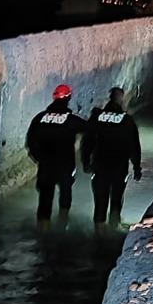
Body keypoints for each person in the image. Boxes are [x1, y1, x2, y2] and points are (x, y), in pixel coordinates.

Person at [26, 84, 88, 231]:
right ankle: (62, 226)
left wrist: (39, 159)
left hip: (46, 166)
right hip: (65, 165)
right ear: (68, 98)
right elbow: (90, 129)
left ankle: (43, 230)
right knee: (65, 194)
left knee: (45, 198)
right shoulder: (71, 120)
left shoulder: (40, 118)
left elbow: (30, 142)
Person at [82, 87, 142, 231]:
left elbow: (87, 142)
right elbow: (134, 146)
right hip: (119, 167)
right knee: (116, 199)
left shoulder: (97, 118)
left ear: (109, 99)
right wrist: (136, 167)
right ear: (121, 100)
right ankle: (113, 229)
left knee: (100, 200)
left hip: (100, 166)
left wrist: (86, 162)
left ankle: (98, 232)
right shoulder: (127, 121)